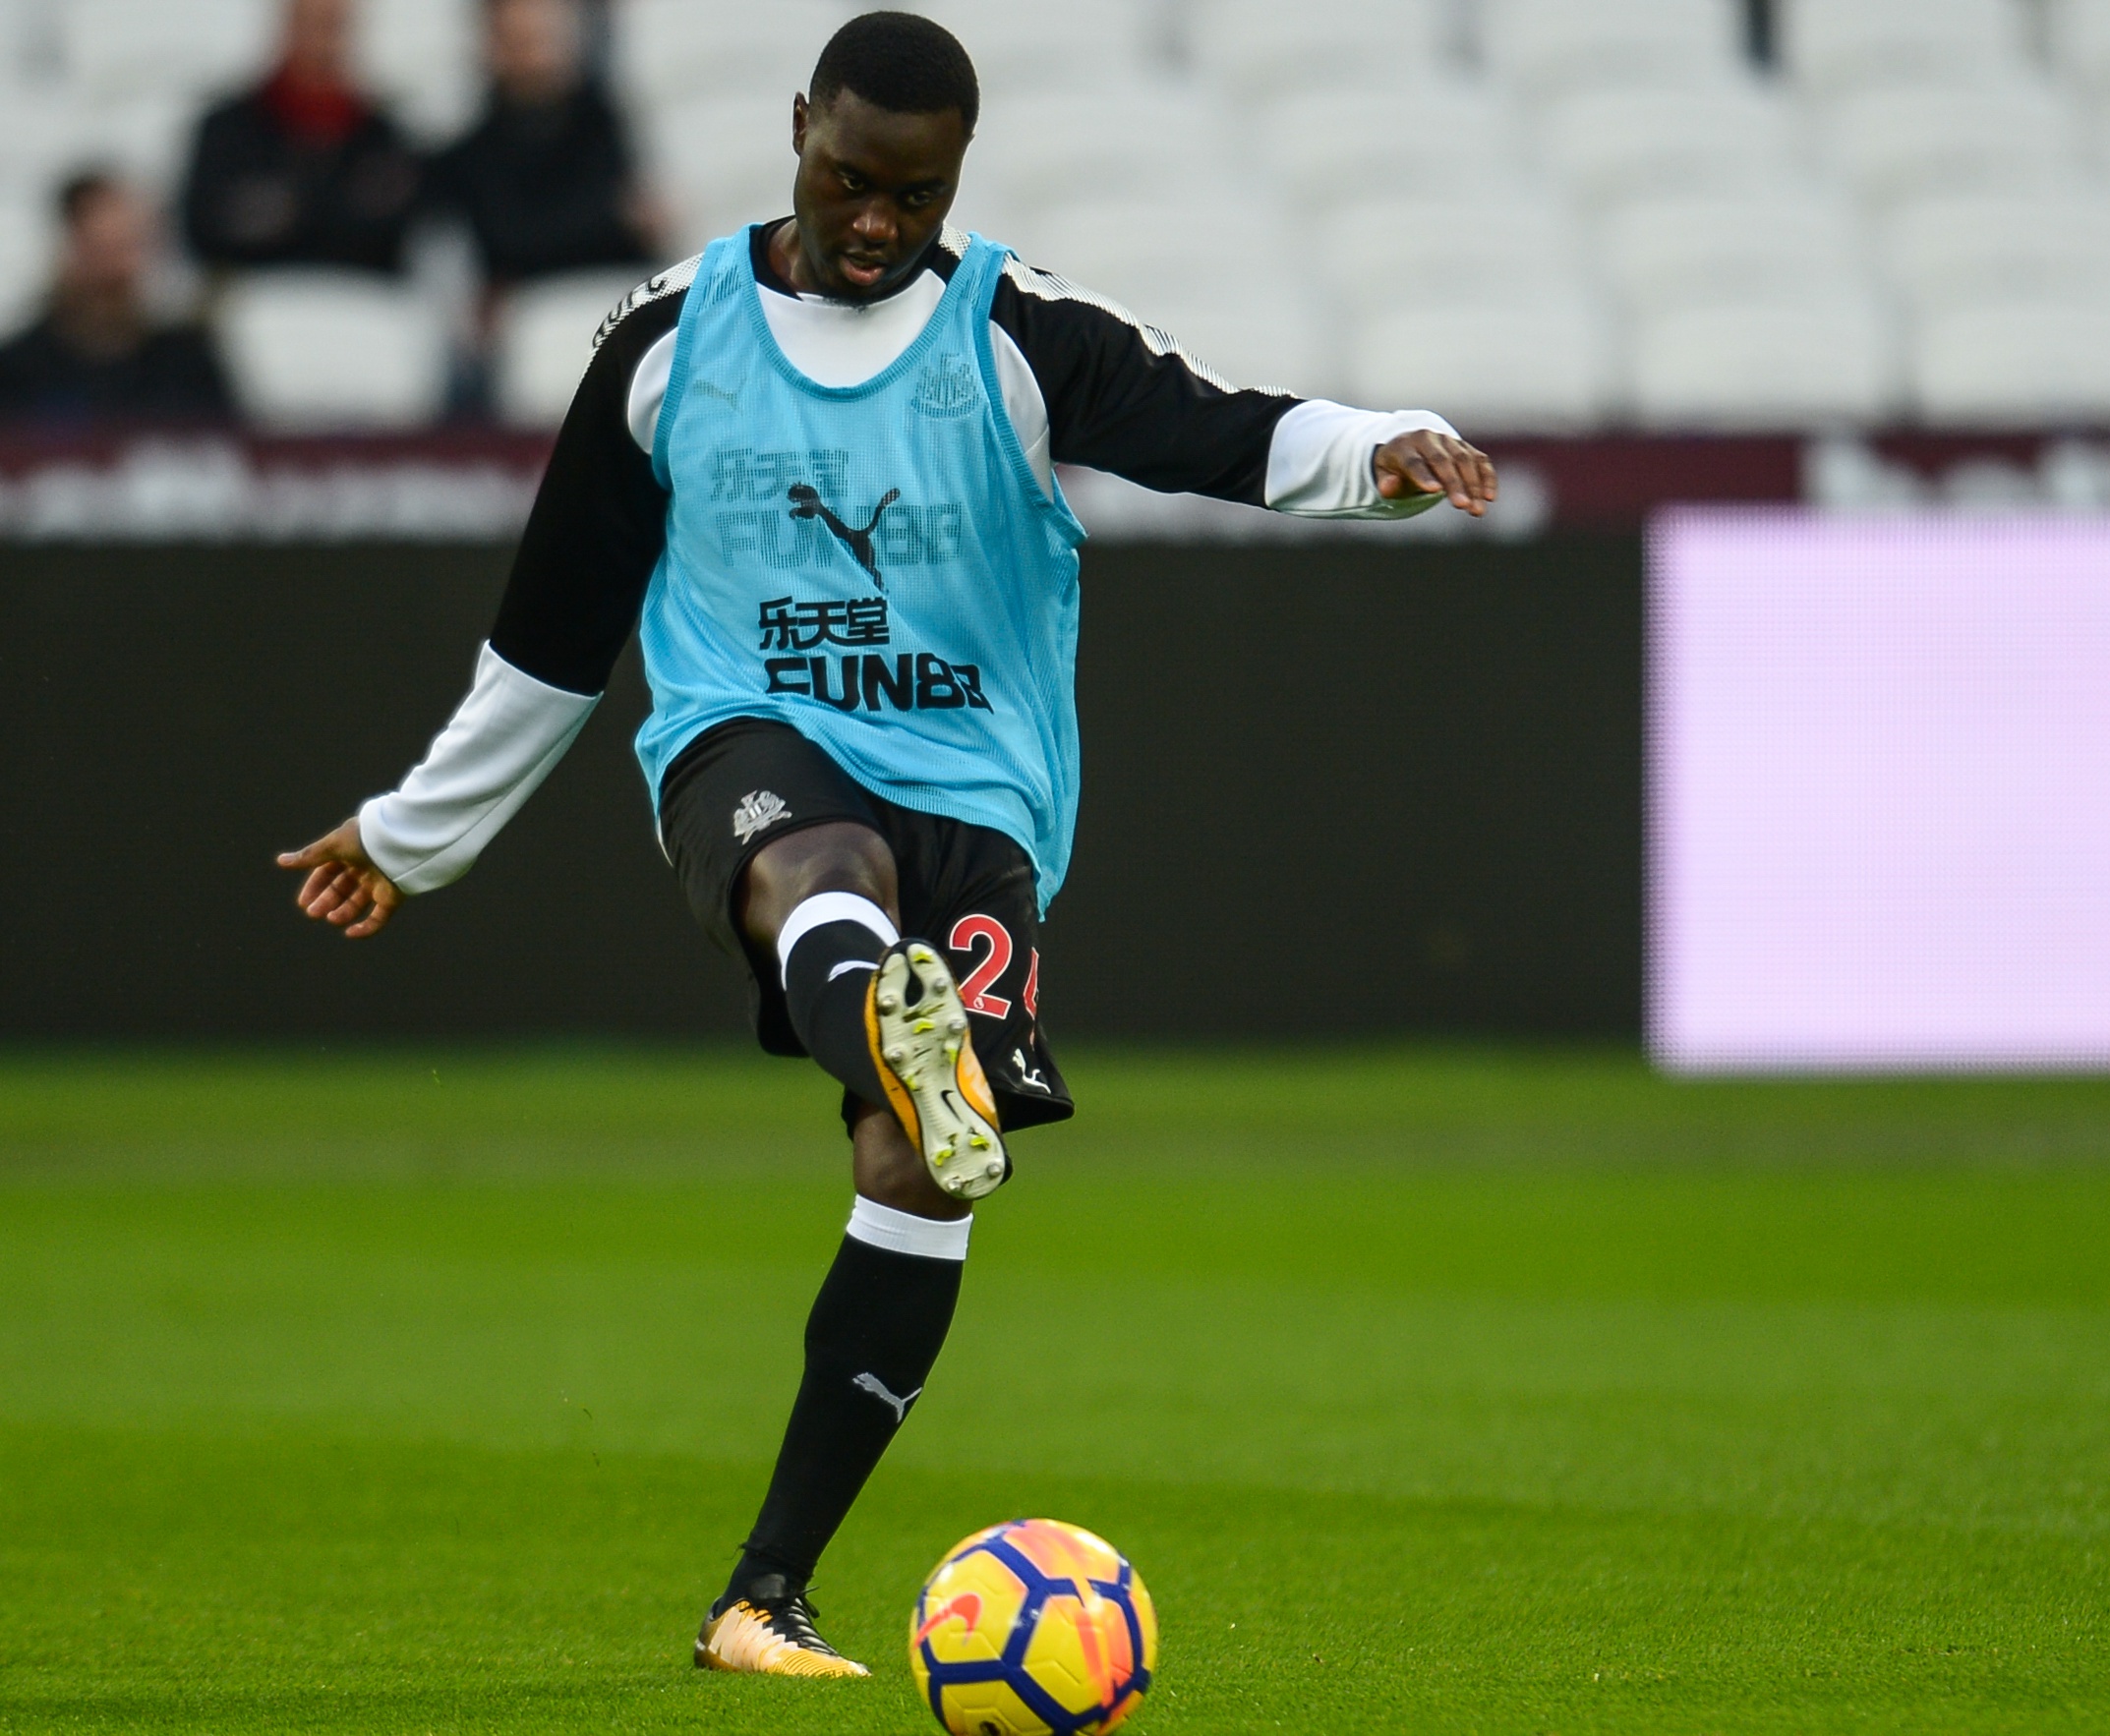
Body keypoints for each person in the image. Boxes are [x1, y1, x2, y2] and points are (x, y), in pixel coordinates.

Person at [274, 11, 1495, 1679]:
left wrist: (1382, 447)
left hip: (977, 801)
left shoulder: (1012, 329)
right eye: (849, 179)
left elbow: (1220, 430)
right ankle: (892, 1014)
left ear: (952, 182)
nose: (874, 221)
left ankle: (759, 1596)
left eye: (911, 197)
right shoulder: (663, 345)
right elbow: (554, 629)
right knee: (812, 873)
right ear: (795, 130)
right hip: (744, 743)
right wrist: (420, 835)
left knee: (918, 1168)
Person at [180, 0, 422, 273]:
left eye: (334, 26)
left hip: (360, 305)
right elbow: (206, 232)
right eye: (311, 24)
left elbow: (402, 237)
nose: (322, 41)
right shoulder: (226, 133)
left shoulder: (384, 140)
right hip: (257, 302)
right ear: (286, 26)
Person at [436, 0, 660, 288]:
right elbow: (510, 239)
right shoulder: (470, 155)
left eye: (544, 39)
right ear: (492, 46)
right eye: (521, 42)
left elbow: (645, 233)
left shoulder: (604, 123)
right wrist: (612, 217)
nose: (536, 59)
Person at [0, 173, 236, 425]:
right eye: (100, 249)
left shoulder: (186, 363)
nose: (115, 272)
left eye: (127, 248)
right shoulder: (18, 368)